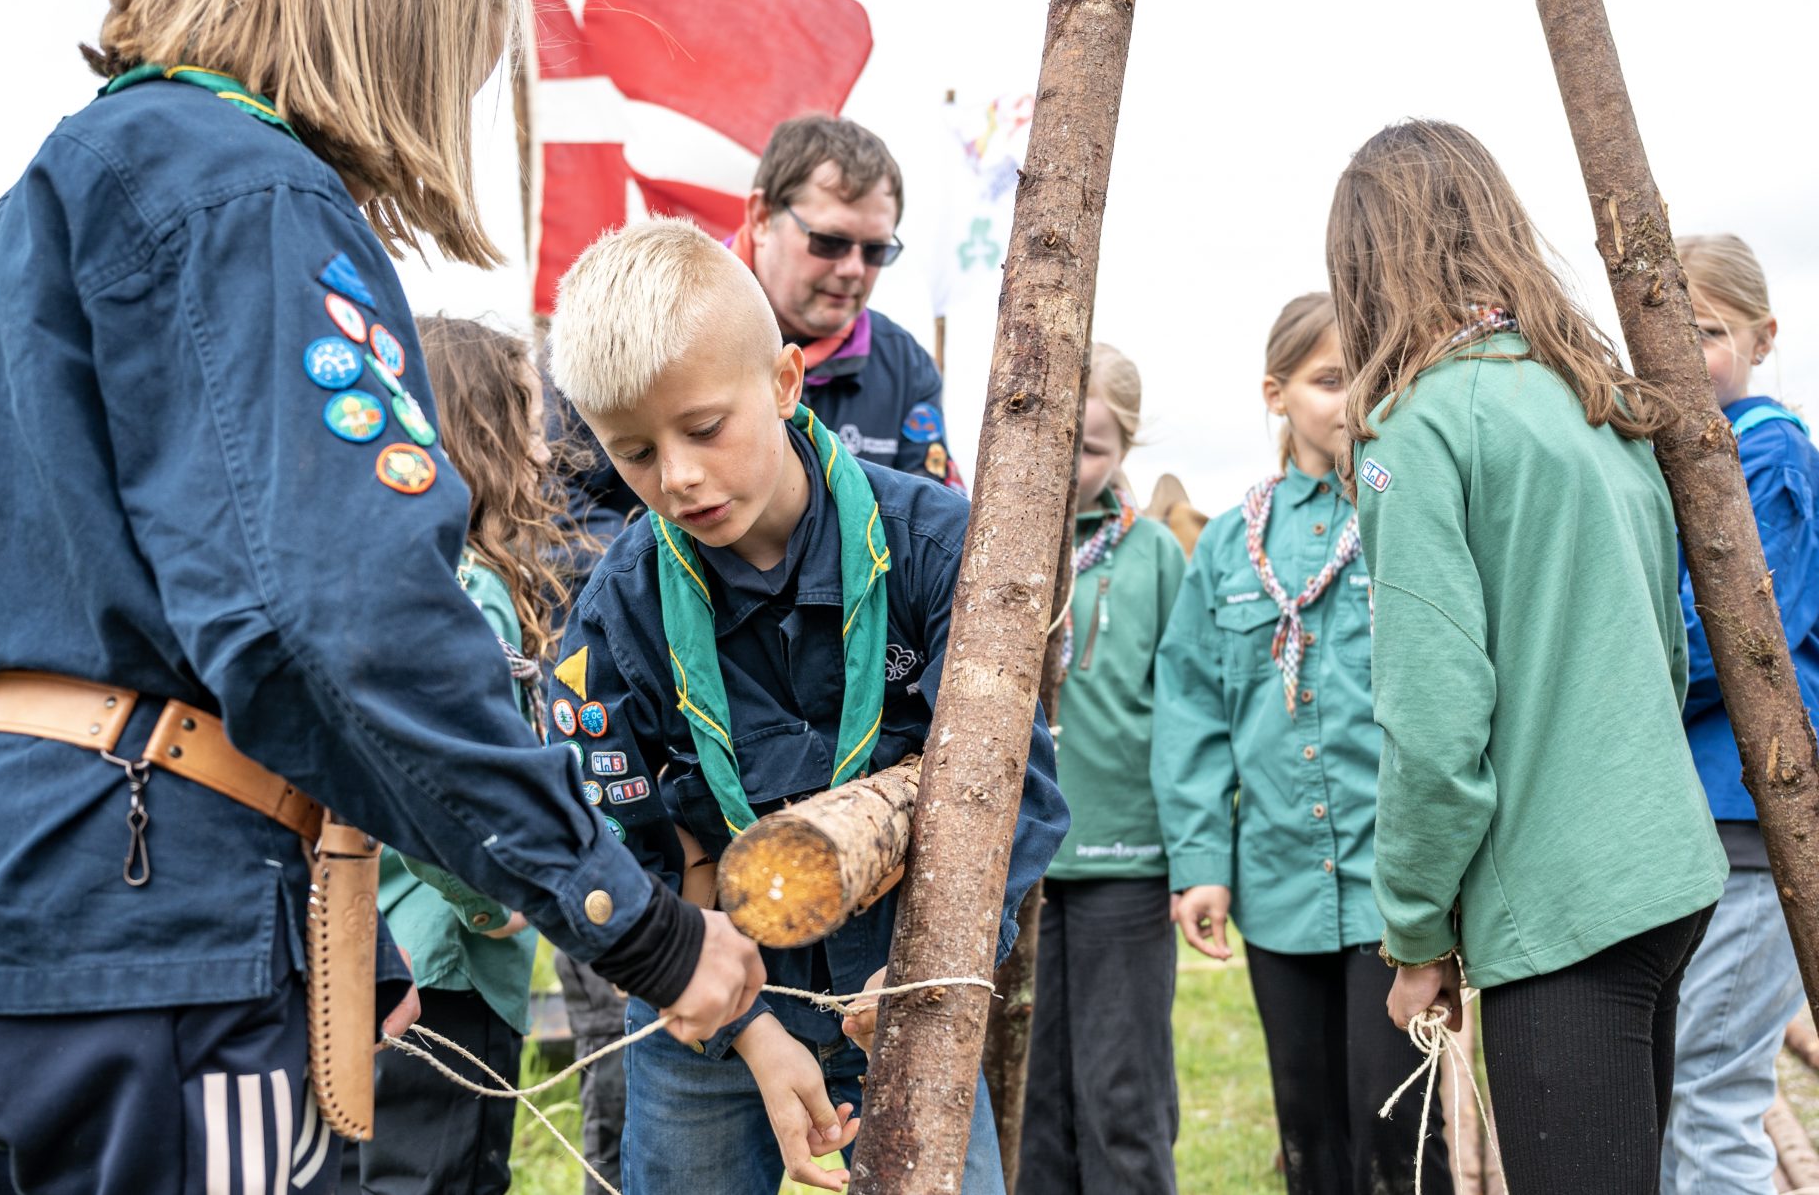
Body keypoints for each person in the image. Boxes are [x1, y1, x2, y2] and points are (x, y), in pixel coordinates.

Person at [0, 0, 761, 1189]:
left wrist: (357, 937)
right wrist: (631, 919)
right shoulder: (254, 194)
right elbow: (348, 623)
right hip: (163, 923)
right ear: (391, 26)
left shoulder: (57, 188)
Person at [543, 217, 1068, 1195]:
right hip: (708, 1008)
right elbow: (611, 838)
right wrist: (748, 1028)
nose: (679, 476)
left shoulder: (937, 550)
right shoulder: (617, 611)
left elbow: (1015, 785)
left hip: (907, 984)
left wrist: (935, 965)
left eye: (705, 428)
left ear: (786, 381)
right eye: (635, 452)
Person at [1332, 120, 1727, 1194]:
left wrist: (1417, 932)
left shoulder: (1416, 430)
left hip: (1566, 903)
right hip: (1666, 867)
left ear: (1363, 264)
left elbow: (1434, 723)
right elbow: (1666, 651)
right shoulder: (1593, 400)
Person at [1156, 292, 1450, 1194]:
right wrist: (1201, 861)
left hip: (1392, 888)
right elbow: (1193, 708)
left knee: (1399, 1130)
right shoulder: (1230, 548)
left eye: (1371, 374)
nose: (1353, 397)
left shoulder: (1409, 513)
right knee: (1307, 1132)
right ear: (1275, 393)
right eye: (1329, 379)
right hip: (1279, 883)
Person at [338, 315, 568, 1195]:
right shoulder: (466, 589)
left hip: (369, 951)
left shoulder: (375, 577)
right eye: (529, 424)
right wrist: (490, 899)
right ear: (480, 435)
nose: (543, 453)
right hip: (446, 972)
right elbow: (434, 771)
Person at [554, 114, 962, 547]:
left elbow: (928, 527)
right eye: (830, 242)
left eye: (876, 250)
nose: (853, 269)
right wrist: (666, 573)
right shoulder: (627, 322)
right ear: (762, 217)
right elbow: (552, 505)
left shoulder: (904, 366)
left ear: (787, 380)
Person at [1662, 234, 1819, 1195]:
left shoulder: (1770, 452)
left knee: (1711, 1088)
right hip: (1696, 814)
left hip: (1751, 812)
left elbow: (1743, 627)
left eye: (1709, 331)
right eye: (1666, 332)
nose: (1686, 353)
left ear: (1765, 336)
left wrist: (1611, 680)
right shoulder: (1677, 453)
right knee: (1683, 1080)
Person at [1017, 343, 1187, 1193]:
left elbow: (1186, 711)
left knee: (1122, 1089)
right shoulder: (994, 548)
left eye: (1091, 448)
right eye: (1058, 441)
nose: (1072, 465)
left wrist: (1191, 853)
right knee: (1032, 1097)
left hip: (1127, 859)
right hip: (1021, 867)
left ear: (1124, 448)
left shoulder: (1155, 556)